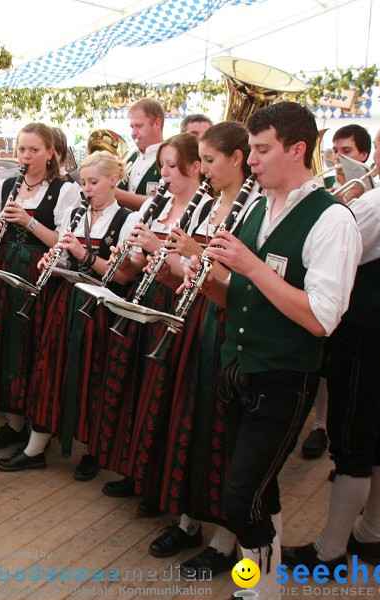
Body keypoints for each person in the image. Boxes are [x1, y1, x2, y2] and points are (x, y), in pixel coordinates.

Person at [194, 102, 361, 599]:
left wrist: (249, 265)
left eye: (262, 150)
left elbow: (321, 318)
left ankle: (264, 590)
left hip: (283, 379)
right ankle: (264, 588)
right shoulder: (256, 206)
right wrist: (199, 279)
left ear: (297, 149)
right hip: (238, 369)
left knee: (239, 498)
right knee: (260, 491)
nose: (253, 160)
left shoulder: (333, 219)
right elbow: (239, 297)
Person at [283, 111, 380, 575]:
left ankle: (331, 550)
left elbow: (335, 249)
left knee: (351, 445)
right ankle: (369, 536)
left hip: (365, 337)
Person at [149, 122, 260, 578]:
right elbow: (187, 271)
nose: (205, 170)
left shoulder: (254, 208)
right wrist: (164, 257)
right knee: (191, 417)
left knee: (221, 427)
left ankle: (225, 537)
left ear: (237, 158)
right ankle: (189, 517)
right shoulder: (212, 205)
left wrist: (198, 255)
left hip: (228, 325)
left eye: (211, 161)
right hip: (198, 319)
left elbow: (249, 283)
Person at [0, 150, 138, 474]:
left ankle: (93, 451)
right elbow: (66, 259)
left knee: (94, 375)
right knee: (50, 370)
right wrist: (55, 261)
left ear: (113, 181)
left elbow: (121, 276)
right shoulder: (77, 212)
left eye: (93, 182)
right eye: (83, 182)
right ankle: (36, 448)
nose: (86, 189)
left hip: (101, 310)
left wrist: (83, 255)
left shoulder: (127, 219)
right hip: (66, 302)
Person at [103, 134, 213, 519]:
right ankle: (134, 472)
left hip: (177, 304)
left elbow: (196, 271)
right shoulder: (156, 204)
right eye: (162, 165)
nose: (163, 173)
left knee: (165, 392)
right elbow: (134, 267)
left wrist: (152, 246)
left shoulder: (206, 211)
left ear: (195, 167)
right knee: (138, 384)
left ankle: (155, 484)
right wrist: (126, 257)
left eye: (171, 166)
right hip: (146, 298)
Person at [0, 122, 81, 452]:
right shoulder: (6, 183)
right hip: (4, 271)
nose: (26, 156)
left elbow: (64, 242)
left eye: (34, 150)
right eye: (22, 149)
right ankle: (14, 422)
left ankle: (37, 427)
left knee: (33, 348)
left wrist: (29, 221)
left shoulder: (64, 190)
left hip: (39, 276)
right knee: (3, 340)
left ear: (51, 153)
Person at [299, 126, 371, 461]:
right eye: (334, 150)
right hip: (317, 290)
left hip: (350, 299)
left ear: (364, 156)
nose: (338, 158)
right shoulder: (328, 190)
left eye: (347, 151)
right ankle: (319, 424)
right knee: (324, 367)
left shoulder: (371, 195)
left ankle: (324, 425)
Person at [115, 98, 165, 210]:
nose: (133, 133)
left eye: (139, 126)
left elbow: (163, 203)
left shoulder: (169, 159)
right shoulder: (132, 157)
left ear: (157, 124)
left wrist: (116, 194)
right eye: (132, 127)